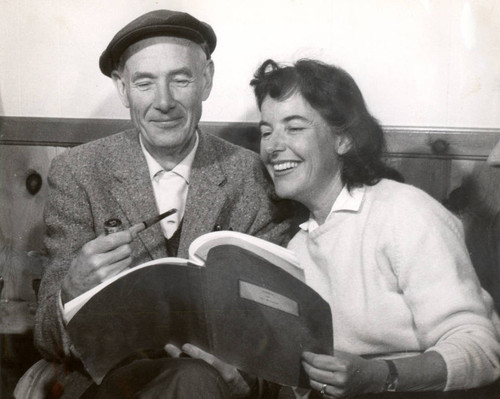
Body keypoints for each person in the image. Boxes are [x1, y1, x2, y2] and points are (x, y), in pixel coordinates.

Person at [34, 10, 295, 399]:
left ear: (205, 80)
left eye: (181, 79)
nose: (164, 102)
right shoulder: (78, 172)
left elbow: (274, 326)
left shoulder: (253, 178)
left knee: (197, 381)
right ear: (122, 89)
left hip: (217, 387)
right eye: (144, 83)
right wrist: (71, 291)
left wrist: (248, 380)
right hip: (106, 385)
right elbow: (47, 339)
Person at [250, 59, 500, 398]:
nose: (273, 146)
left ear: (344, 140)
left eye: (294, 128)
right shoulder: (296, 248)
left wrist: (380, 375)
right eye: (266, 131)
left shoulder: (404, 212)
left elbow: (482, 350)